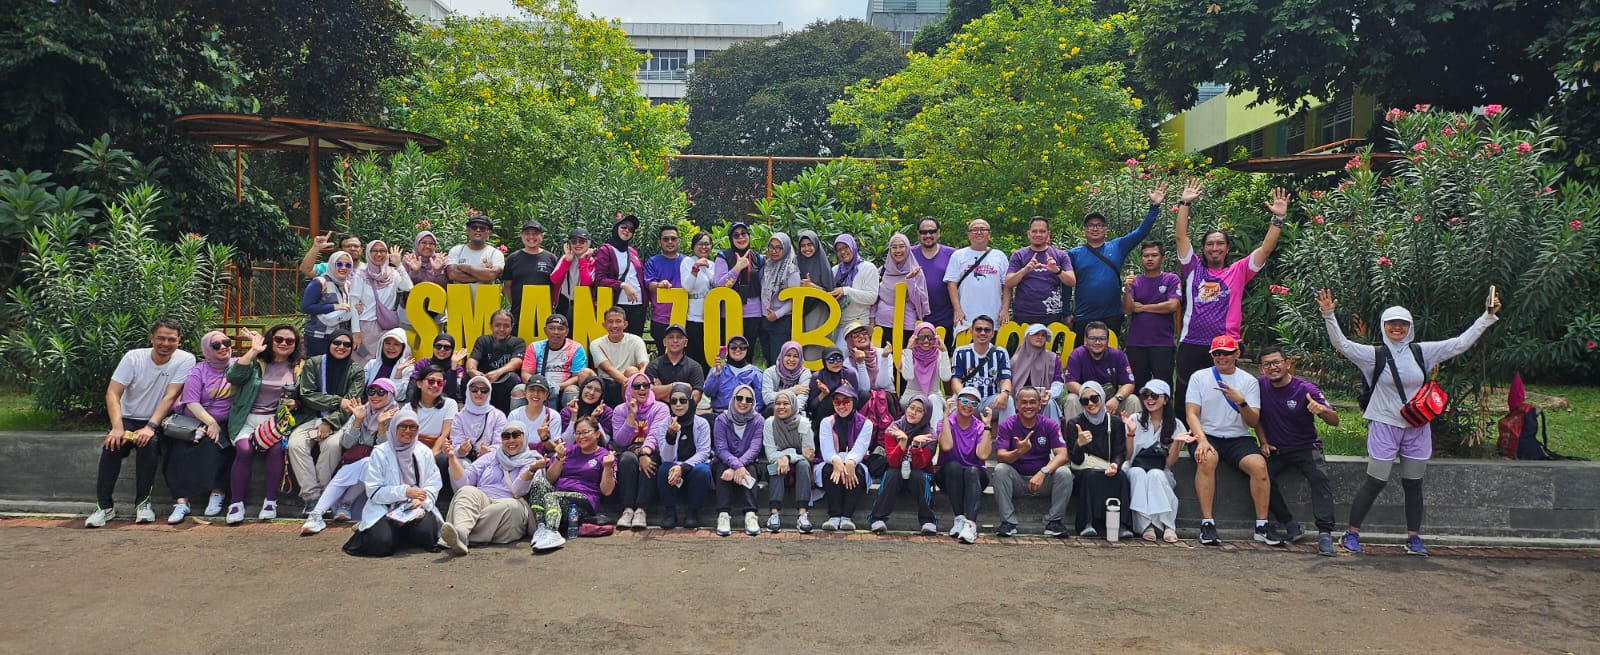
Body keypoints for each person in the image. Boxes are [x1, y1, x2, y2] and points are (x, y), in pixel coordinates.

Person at [1320, 288, 1500, 556]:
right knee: (1375, 481)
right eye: (1392, 323)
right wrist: (1328, 314)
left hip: (1417, 426)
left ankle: (1414, 539)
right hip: (1384, 424)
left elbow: (1460, 343)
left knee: (1413, 484)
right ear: (1383, 326)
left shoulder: (1422, 352)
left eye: (1403, 323)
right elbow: (1342, 345)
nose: (1397, 327)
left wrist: (1486, 317)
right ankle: (1352, 534)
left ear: (1410, 327)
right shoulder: (1373, 355)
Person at [1173, 181, 1288, 402]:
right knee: (1185, 397)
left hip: (1225, 345)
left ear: (1227, 249)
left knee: (1222, 397)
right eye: (1210, 244)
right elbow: (1180, 237)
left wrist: (1278, 218)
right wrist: (1185, 203)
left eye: (1220, 244)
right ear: (1203, 248)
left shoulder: (1238, 271)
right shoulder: (1192, 268)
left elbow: (1265, 249)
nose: (1214, 248)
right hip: (1192, 343)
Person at [86, 318, 195, 528]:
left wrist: (150, 427)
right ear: (151, 338)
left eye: (171, 339)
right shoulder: (133, 357)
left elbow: (170, 396)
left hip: (157, 420)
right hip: (127, 418)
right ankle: (104, 507)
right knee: (111, 446)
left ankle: (143, 504)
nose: (165, 343)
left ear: (179, 341)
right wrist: (117, 427)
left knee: (149, 444)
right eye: (161, 338)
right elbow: (113, 392)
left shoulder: (185, 359)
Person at [1184, 334, 1276, 546]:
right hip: (1207, 434)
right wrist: (1202, 440)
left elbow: (1253, 420)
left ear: (1237, 354)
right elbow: (1191, 413)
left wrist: (1241, 402)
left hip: (1238, 437)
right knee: (1206, 459)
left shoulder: (1248, 381)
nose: (1221, 357)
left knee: (1259, 466)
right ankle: (1207, 523)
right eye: (1217, 353)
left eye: (1226, 353)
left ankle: (1262, 525)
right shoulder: (1199, 377)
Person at [1254, 346, 1341, 556]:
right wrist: (1263, 441)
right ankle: (1289, 523)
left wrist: (1322, 411)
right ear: (1261, 369)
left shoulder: (1305, 389)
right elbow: (1255, 417)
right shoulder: (1259, 386)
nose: (1272, 368)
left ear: (1287, 363)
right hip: (1276, 449)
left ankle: (1325, 534)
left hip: (1305, 446)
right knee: (1259, 475)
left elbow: (1335, 420)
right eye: (1267, 364)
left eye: (1276, 362)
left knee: (1319, 479)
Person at [1069, 183, 1168, 344]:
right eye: (1091, 225)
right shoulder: (1074, 254)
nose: (1095, 228)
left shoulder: (1117, 246)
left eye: (1099, 225)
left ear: (1105, 230)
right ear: (1085, 230)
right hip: (1083, 316)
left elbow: (1141, 232)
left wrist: (1154, 207)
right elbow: (1067, 283)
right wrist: (1066, 312)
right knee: (1082, 355)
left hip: (1111, 315)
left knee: (1109, 355)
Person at [221, 324, 301, 525]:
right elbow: (233, 376)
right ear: (270, 340)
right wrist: (253, 350)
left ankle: (270, 502)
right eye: (279, 339)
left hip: (275, 422)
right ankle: (236, 503)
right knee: (244, 450)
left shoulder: (299, 367)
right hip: (246, 419)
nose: (284, 343)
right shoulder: (257, 362)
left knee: (276, 450)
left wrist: (296, 403)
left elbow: (304, 395)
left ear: (295, 345)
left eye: (289, 341)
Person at [301, 378, 399, 535]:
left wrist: (381, 426)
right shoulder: (362, 410)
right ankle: (323, 512)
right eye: (372, 391)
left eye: (381, 392)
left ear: (391, 395)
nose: (375, 396)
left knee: (369, 463)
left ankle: (331, 508)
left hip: (388, 474)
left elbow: (385, 452)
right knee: (365, 464)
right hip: (358, 469)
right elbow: (346, 443)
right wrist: (358, 421)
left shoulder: (396, 416)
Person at [342, 408, 444, 557]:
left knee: (426, 533)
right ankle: (386, 532)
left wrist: (422, 502)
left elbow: (433, 483)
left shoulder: (424, 452)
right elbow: (374, 491)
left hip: (414, 507)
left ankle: (400, 534)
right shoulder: (380, 452)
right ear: (394, 427)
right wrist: (404, 492)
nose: (407, 431)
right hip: (385, 507)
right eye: (403, 426)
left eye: (412, 427)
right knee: (382, 543)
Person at [285, 329, 364, 513]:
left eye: (347, 344)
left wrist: (329, 422)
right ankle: (312, 497)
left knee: (332, 446)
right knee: (296, 444)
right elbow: (307, 395)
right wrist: (337, 401)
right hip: (310, 417)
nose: (341, 347)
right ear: (329, 344)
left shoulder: (356, 371)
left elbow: (350, 405)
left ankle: (322, 496)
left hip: (340, 421)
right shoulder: (314, 363)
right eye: (337, 342)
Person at [439, 421, 541, 556]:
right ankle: (461, 534)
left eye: (516, 435)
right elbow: (465, 482)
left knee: (510, 507)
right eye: (506, 436)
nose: (511, 440)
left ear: (525, 436)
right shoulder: (491, 457)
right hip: (483, 499)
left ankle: (459, 533)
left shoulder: (533, 462)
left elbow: (518, 491)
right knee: (466, 491)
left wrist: (531, 470)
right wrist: (452, 457)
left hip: (510, 503)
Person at [164, 331, 233, 523]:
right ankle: (181, 502)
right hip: (194, 421)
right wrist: (210, 423)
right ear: (207, 350)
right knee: (177, 451)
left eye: (226, 342)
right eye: (216, 345)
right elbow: (191, 401)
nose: (223, 347)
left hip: (225, 422)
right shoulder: (198, 371)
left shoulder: (237, 366)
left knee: (219, 445)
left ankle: (217, 492)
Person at [523, 416, 615, 553]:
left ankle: (552, 531)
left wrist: (608, 467)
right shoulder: (568, 450)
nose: (581, 436)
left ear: (597, 433)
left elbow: (607, 491)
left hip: (583, 502)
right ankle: (541, 528)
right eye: (577, 433)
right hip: (559, 497)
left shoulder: (604, 455)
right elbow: (550, 479)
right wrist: (559, 459)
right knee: (539, 482)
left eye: (585, 432)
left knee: (552, 497)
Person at [990, 386, 1072, 537]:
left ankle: (1054, 522)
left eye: (1033, 402)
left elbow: (1063, 455)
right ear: (1016, 404)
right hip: (1017, 480)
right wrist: (1018, 452)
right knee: (1000, 470)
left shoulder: (1050, 424)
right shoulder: (1007, 425)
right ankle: (1008, 522)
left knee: (1064, 473)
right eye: (1024, 402)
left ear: (1040, 404)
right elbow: (1001, 456)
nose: (1028, 406)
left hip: (1042, 481)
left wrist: (1043, 472)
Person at [1121, 380, 1191, 543]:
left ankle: (1168, 525)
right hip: (1134, 467)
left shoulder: (1176, 425)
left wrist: (1176, 443)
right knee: (1138, 473)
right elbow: (1128, 457)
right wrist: (1131, 433)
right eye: (1145, 395)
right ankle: (1147, 525)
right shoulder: (1134, 419)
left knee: (1155, 474)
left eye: (1154, 395)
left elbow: (1170, 463)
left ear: (1165, 399)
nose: (1149, 399)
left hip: (1160, 471)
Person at [1064, 381, 1132, 538]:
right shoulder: (1075, 423)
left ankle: (1122, 524)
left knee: (1121, 477)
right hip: (1084, 470)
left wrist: (1115, 465)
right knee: (1091, 476)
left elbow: (1119, 451)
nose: (1090, 404)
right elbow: (1075, 460)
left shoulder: (1114, 422)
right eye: (1084, 401)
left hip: (1108, 466)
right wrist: (1079, 444)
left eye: (1094, 398)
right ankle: (1087, 523)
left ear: (1102, 397)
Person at [868, 396, 939, 535]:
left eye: (919, 411)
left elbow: (920, 465)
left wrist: (916, 446)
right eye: (911, 408)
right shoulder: (893, 429)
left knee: (918, 475)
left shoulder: (930, 435)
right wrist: (903, 442)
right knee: (891, 474)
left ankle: (928, 521)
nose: (913, 412)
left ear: (926, 415)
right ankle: (877, 518)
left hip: (920, 474)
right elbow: (892, 462)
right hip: (896, 472)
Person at [610, 372, 668, 530]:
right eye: (637, 386)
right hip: (628, 451)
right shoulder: (620, 410)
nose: (642, 389)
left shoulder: (660, 408)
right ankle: (627, 509)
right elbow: (620, 441)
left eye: (646, 385)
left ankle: (642, 509)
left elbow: (655, 435)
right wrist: (631, 416)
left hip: (652, 450)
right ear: (630, 389)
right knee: (627, 459)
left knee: (650, 461)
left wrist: (643, 453)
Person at [1122, 241, 1182, 389]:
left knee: (1163, 386)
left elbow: (1173, 305)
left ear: (1163, 259)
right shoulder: (1135, 281)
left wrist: (1143, 307)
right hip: (1136, 343)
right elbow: (1128, 309)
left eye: (1154, 255)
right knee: (1137, 386)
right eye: (1146, 256)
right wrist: (1127, 290)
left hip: (1162, 343)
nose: (1149, 259)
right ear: (1141, 258)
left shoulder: (1171, 279)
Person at [940, 387, 994, 545]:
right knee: (954, 467)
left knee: (971, 471)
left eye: (973, 403)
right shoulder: (946, 422)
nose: (968, 405)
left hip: (974, 477)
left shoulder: (979, 426)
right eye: (964, 400)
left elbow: (983, 455)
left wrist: (987, 427)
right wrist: (945, 417)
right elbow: (946, 446)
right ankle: (959, 519)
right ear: (957, 402)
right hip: (949, 476)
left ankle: (970, 525)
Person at [347, 240, 413, 366]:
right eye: (374, 250)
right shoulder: (361, 276)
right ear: (368, 253)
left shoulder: (392, 274)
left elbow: (408, 287)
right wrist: (356, 332)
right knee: (364, 361)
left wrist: (399, 265)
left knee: (388, 361)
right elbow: (353, 305)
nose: (378, 254)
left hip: (386, 327)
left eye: (382, 251)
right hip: (365, 329)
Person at [657, 383, 713, 529]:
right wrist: (671, 435)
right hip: (673, 466)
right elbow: (666, 458)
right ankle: (670, 513)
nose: (678, 405)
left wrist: (683, 467)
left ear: (690, 401)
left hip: (694, 466)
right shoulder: (664, 425)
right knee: (664, 469)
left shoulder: (702, 423)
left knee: (703, 471)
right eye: (674, 401)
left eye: (683, 400)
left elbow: (704, 452)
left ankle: (693, 513)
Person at [817, 385, 872, 532]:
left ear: (854, 401)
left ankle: (847, 516)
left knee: (856, 472)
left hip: (855, 461)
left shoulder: (866, 424)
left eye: (846, 401)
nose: (841, 406)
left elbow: (860, 448)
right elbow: (827, 450)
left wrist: (850, 462)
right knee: (830, 470)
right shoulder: (826, 422)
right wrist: (836, 461)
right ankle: (834, 516)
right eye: (837, 402)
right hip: (831, 461)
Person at [712, 384, 765, 537]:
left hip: (748, 462)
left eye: (748, 399)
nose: (743, 402)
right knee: (722, 469)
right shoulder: (722, 419)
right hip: (724, 462)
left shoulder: (758, 420)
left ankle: (750, 514)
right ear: (733, 399)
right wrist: (737, 466)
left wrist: (738, 467)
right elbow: (721, 449)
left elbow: (754, 449)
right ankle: (723, 514)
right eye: (739, 398)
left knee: (751, 470)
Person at [1004, 216, 1075, 327]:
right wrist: (1025, 270)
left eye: (1042, 231)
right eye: (1034, 231)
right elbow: (1008, 282)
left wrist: (1057, 270)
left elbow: (1072, 281)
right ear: (1028, 234)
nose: (1038, 234)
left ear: (1048, 234)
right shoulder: (1018, 255)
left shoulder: (1061, 255)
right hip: (1024, 314)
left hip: (1052, 315)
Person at [408, 364, 460, 513]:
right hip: (415, 448)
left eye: (440, 382)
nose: (435, 385)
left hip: (439, 447)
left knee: (443, 460)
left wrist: (432, 453)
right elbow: (409, 436)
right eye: (431, 381)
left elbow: (445, 433)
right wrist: (423, 455)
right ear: (419, 383)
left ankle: (442, 504)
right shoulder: (409, 408)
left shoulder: (449, 404)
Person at [762, 389, 815, 533]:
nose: (781, 407)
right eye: (778, 403)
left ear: (793, 405)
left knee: (803, 464)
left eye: (786, 403)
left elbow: (809, 454)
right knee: (775, 465)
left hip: (799, 468)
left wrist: (787, 457)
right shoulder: (770, 423)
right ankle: (774, 515)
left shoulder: (803, 423)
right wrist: (789, 455)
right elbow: (770, 454)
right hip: (779, 466)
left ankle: (803, 515)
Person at [945, 219, 1009, 336]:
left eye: (983, 229)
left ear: (989, 234)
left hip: (993, 317)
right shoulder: (958, 255)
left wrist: (1005, 310)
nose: (979, 232)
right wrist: (957, 310)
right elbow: (951, 284)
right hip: (965, 318)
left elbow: (1007, 285)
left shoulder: (999, 256)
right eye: (975, 229)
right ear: (969, 235)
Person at [713, 222, 766, 363]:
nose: (741, 237)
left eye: (744, 233)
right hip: (728, 313)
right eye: (736, 235)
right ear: (731, 239)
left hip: (753, 313)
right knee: (726, 352)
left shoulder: (759, 259)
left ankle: (746, 376)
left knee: (747, 352)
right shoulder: (723, 256)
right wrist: (737, 268)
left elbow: (764, 286)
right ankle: (723, 374)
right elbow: (720, 285)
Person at [1064, 320, 1137, 421]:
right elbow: (1070, 383)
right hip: (1086, 400)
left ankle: (1132, 430)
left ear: (1107, 340)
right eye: (1092, 338)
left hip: (1110, 402)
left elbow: (1129, 383)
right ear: (1085, 340)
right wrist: (1093, 398)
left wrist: (1117, 398)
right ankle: (1075, 431)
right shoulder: (1076, 355)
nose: (1097, 342)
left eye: (1102, 338)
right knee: (1071, 399)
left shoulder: (1118, 355)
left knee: (1133, 400)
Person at [521, 314, 592, 410]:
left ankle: (569, 418)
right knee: (519, 390)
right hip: (538, 385)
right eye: (551, 328)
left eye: (560, 329)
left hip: (564, 386)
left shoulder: (576, 348)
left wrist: (558, 387)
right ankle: (518, 419)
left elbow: (577, 376)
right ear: (545, 330)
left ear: (567, 332)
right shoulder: (535, 347)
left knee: (572, 391)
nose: (556, 332)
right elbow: (526, 374)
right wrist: (540, 386)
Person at [592, 213, 647, 337]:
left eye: (631, 229)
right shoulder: (606, 250)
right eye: (624, 227)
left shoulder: (632, 252)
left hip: (638, 306)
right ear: (616, 228)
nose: (627, 231)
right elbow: (600, 279)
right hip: (619, 305)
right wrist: (622, 285)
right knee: (618, 341)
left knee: (635, 342)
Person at [950, 314, 1013, 421]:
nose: (982, 333)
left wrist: (1005, 393)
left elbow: (1005, 379)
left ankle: (1006, 432)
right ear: (971, 332)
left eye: (987, 330)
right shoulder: (961, 352)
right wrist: (964, 397)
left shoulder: (1000, 353)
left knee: (1008, 400)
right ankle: (953, 431)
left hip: (990, 401)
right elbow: (956, 380)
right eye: (978, 329)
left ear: (992, 334)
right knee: (955, 399)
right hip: (968, 399)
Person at [873, 233, 931, 348]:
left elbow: (918, 301)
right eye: (894, 247)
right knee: (884, 356)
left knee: (905, 356)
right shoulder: (882, 271)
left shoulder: (916, 272)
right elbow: (875, 298)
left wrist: (910, 280)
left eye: (901, 246)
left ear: (908, 248)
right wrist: (872, 318)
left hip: (906, 325)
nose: (898, 250)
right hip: (882, 324)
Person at [466, 309, 526, 413]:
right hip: (485, 381)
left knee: (513, 378)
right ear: (491, 325)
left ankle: (508, 416)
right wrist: (472, 370)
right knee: (467, 377)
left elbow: (516, 362)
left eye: (506, 326)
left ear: (512, 326)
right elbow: (473, 359)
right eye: (497, 325)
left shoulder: (518, 342)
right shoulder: (483, 340)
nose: (501, 329)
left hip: (505, 383)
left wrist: (498, 372)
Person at [502, 218, 559, 326]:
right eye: (527, 233)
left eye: (535, 233)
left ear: (542, 236)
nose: (531, 237)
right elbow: (507, 285)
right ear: (521, 236)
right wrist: (514, 304)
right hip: (519, 313)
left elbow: (556, 286)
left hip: (544, 312)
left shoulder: (551, 258)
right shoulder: (513, 258)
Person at [590, 305, 649, 405]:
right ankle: (586, 411)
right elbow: (607, 368)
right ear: (604, 325)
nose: (614, 325)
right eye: (610, 322)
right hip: (606, 383)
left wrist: (639, 380)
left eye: (618, 321)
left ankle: (630, 408)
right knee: (585, 373)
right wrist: (629, 382)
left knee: (632, 371)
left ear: (625, 324)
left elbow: (645, 364)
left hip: (630, 382)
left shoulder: (636, 340)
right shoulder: (596, 343)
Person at [912, 217, 956, 348]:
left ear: (938, 233)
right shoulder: (909, 254)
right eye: (923, 232)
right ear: (918, 234)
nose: (928, 235)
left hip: (945, 319)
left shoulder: (952, 254)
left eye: (932, 231)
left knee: (944, 357)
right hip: (916, 321)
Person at [829, 234, 880, 345]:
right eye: (839, 250)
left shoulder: (868, 268)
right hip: (838, 325)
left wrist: (846, 291)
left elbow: (872, 297)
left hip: (859, 325)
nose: (843, 252)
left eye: (845, 247)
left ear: (853, 246)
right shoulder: (835, 270)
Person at [301, 251, 353, 357]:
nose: (343, 268)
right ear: (332, 264)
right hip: (318, 336)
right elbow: (306, 307)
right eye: (339, 264)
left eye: (348, 265)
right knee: (317, 365)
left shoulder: (347, 285)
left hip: (338, 337)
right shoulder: (320, 282)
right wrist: (334, 307)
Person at [793, 229, 836, 359]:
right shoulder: (796, 263)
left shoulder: (823, 265)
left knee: (813, 350)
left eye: (810, 244)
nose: (806, 249)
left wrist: (814, 287)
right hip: (799, 311)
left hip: (818, 311)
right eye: (803, 246)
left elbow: (831, 293)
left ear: (816, 245)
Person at [759, 232, 801, 361]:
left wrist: (777, 314)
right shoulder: (767, 266)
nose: (774, 251)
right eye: (771, 247)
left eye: (779, 247)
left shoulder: (791, 270)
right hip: (765, 319)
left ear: (786, 248)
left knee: (777, 359)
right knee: (768, 358)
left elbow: (796, 299)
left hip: (782, 321)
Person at [1010, 324, 1067, 421]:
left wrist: (1049, 393)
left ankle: (1053, 430)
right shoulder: (1015, 360)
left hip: (1043, 400)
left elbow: (1058, 381)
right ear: (1027, 336)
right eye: (1036, 334)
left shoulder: (1052, 358)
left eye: (1043, 335)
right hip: (1018, 401)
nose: (1040, 337)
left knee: (1050, 403)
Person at [899, 322, 951, 426]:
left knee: (932, 400)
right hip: (911, 395)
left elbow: (946, 377)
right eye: (921, 337)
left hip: (934, 394)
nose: (926, 341)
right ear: (915, 338)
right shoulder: (907, 353)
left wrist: (944, 351)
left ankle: (936, 433)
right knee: (918, 404)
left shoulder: (939, 354)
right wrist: (909, 350)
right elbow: (908, 376)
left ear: (935, 338)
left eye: (930, 337)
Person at [449, 375, 507, 464]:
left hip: (491, 460)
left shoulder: (498, 416)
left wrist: (489, 451)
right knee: (457, 463)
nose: (479, 393)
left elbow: (501, 444)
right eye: (474, 389)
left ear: (489, 393)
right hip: (466, 460)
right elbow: (456, 447)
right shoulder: (459, 417)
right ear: (468, 391)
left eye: (484, 390)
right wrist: (462, 449)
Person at [679, 232, 716, 370]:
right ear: (693, 246)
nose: (703, 247)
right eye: (700, 244)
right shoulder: (687, 262)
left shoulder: (713, 265)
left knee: (710, 355)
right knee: (695, 354)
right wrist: (696, 267)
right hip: (694, 316)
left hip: (712, 316)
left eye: (707, 244)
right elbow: (687, 287)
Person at [445, 211, 505, 295]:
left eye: (482, 228)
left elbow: (492, 274)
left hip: (485, 301)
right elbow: (453, 274)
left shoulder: (495, 253)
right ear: (468, 230)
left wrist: (467, 268)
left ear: (489, 232)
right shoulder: (457, 250)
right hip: (459, 301)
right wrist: (483, 276)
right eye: (474, 227)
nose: (478, 230)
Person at [643, 224, 685, 343]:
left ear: (679, 241)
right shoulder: (653, 262)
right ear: (659, 243)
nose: (670, 242)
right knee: (663, 352)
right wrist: (659, 284)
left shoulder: (687, 262)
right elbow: (649, 284)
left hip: (684, 317)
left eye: (673, 238)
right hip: (661, 319)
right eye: (665, 239)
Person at [704, 334, 764, 416]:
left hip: (745, 416)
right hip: (719, 414)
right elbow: (708, 393)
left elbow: (759, 401)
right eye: (733, 347)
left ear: (747, 350)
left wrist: (750, 416)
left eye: (742, 347)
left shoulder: (755, 373)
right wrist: (716, 373)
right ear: (728, 349)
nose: (738, 349)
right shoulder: (718, 368)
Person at [646, 323, 705, 405]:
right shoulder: (653, 366)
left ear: (686, 342)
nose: (675, 341)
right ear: (664, 342)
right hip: (658, 411)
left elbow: (696, 397)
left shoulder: (695, 367)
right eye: (671, 337)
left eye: (679, 337)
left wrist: (662, 390)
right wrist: (675, 386)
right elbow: (649, 393)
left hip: (686, 412)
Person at [807, 346, 859, 435]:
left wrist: (849, 391)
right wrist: (823, 394)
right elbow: (812, 407)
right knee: (829, 402)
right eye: (831, 360)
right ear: (824, 362)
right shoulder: (817, 377)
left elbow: (857, 401)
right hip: (824, 414)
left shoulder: (850, 374)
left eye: (839, 359)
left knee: (865, 395)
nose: (835, 363)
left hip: (847, 409)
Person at [550, 227, 596, 321]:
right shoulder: (565, 258)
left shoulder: (592, 261)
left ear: (588, 244)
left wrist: (582, 260)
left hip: (584, 302)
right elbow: (554, 279)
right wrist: (567, 262)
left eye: (581, 241)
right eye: (574, 241)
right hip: (564, 301)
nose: (577, 244)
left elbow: (586, 282)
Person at [506, 374, 563, 450]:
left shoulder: (553, 416)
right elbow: (509, 444)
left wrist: (544, 438)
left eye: (541, 391)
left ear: (546, 395)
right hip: (520, 455)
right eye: (532, 390)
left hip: (544, 456)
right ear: (525, 393)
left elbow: (556, 449)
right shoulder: (515, 415)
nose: (536, 394)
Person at [839, 321, 894, 394]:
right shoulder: (847, 364)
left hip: (884, 397)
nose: (861, 336)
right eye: (856, 335)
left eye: (864, 332)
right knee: (864, 395)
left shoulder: (884, 353)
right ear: (850, 341)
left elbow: (883, 385)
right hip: (863, 399)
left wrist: (884, 358)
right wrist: (860, 363)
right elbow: (864, 389)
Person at [413, 333, 466, 404]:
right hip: (422, 403)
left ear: (452, 350)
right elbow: (412, 388)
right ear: (433, 347)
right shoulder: (422, 364)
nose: (442, 349)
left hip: (446, 406)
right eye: (438, 346)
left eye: (447, 347)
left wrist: (453, 368)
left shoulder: (458, 369)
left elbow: (451, 393)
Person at [362, 327, 414, 400]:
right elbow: (361, 386)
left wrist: (399, 373)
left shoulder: (408, 368)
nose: (391, 347)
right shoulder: (372, 364)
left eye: (396, 344)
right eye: (387, 343)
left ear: (403, 347)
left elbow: (399, 397)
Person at [762, 340, 810, 416]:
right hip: (774, 412)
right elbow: (767, 398)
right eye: (788, 355)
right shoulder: (769, 372)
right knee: (771, 408)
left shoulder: (805, 373)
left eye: (796, 356)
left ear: (800, 358)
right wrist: (792, 391)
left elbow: (802, 399)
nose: (791, 359)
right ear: (782, 356)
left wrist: (789, 412)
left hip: (796, 412)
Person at [561, 377, 613, 444]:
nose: (591, 392)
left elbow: (605, 442)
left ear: (601, 394)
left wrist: (594, 420)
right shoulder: (568, 411)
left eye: (597, 390)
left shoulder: (606, 412)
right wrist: (574, 415)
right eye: (589, 387)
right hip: (573, 449)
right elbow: (568, 442)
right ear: (582, 388)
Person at [298, 232, 363, 278]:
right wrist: (316, 247)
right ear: (340, 250)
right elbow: (305, 270)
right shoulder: (329, 268)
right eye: (348, 246)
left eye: (356, 246)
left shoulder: (367, 270)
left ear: (361, 249)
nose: (352, 249)